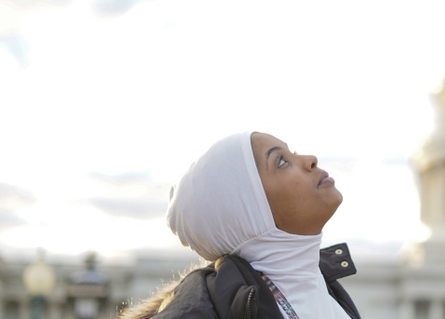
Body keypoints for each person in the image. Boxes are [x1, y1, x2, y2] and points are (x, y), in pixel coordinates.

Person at [119, 131, 361, 319]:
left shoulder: (329, 292)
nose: (310, 160)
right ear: (249, 213)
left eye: (293, 153)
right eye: (281, 162)